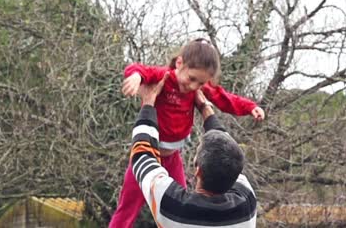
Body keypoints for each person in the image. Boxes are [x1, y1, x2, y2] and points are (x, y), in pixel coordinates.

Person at [109, 38, 264, 227]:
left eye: (200, 83)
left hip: (173, 158)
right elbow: (140, 70)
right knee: (127, 208)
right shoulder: (164, 77)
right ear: (180, 63)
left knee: (182, 205)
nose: (193, 87)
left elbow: (224, 98)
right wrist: (135, 77)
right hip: (150, 153)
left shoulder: (198, 87)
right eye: (191, 79)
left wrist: (250, 107)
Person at [129, 73, 257, 227]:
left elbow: (142, 156)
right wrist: (205, 107)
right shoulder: (247, 203)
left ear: (198, 171)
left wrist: (148, 102)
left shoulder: (173, 209)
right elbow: (227, 149)